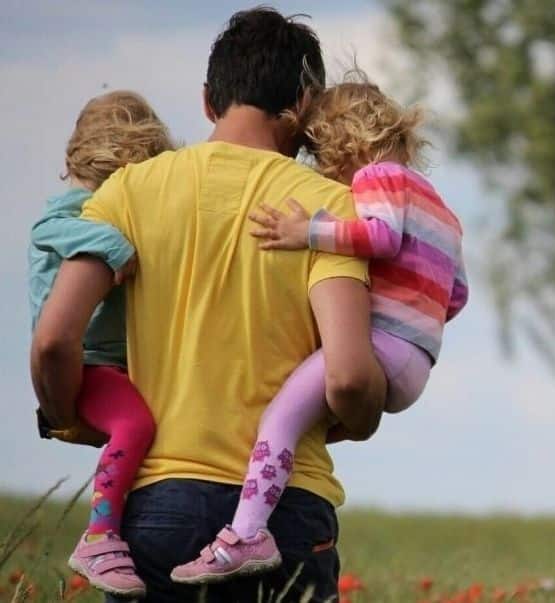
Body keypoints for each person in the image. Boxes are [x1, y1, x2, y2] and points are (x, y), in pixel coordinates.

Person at [30, 8, 387, 603]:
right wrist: (363, 417)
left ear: (207, 101)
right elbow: (349, 377)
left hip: (156, 507)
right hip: (286, 510)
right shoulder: (329, 210)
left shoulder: (127, 191)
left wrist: (69, 416)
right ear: (305, 105)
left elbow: (52, 341)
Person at [172, 78, 468, 583]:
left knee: (279, 419)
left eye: (323, 157)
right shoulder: (441, 208)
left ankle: (246, 534)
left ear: (344, 144)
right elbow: (456, 295)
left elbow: (380, 237)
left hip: (382, 345)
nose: (327, 173)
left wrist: (306, 232)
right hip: (417, 360)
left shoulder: (377, 175)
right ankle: (263, 506)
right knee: (306, 421)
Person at [29, 90, 172, 598]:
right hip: (88, 363)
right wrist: (115, 246)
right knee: (136, 425)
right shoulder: (74, 210)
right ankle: (99, 535)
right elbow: (48, 229)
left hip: (111, 362)